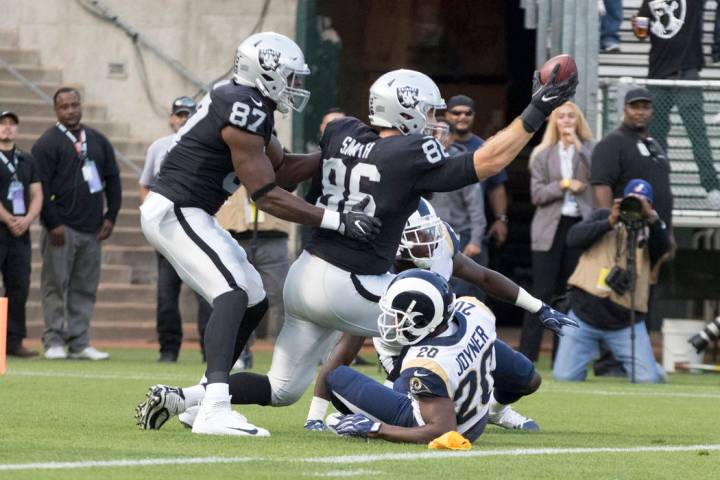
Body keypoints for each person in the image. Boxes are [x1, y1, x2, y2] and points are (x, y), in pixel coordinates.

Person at [136, 65, 578, 436]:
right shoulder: (411, 151)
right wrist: (537, 109)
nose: (433, 120)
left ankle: (189, 399)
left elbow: (306, 167)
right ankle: (439, 415)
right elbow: (488, 162)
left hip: (304, 277)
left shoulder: (340, 130)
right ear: (405, 109)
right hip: (351, 279)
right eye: (428, 111)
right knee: (453, 325)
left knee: (281, 388)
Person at [134, 32, 380, 437]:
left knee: (252, 300)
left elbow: (282, 171)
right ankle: (215, 409)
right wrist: (336, 219)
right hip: (175, 209)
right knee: (232, 292)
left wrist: (337, 155)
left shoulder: (251, 105)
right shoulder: (242, 106)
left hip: (191, 211)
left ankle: (202, 400)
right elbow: (266, 195)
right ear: (265, 71)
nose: (295, 86)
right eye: (290, 76)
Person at [300, 198, 576, 433]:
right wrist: (315, 416)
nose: (429, 240)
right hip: (406, 355)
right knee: (413, 413)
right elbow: (346, 347)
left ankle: (494, 410)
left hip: (452, 336)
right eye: (418, 235)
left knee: (527, 378)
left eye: (429, 231)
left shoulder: (440, 249)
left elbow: (483, 277)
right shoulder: (374, 274)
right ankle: (389, 409)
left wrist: (538, 307)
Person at [323, 269, 496, 443]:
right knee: (402, 382)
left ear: (420, 320)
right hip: (477, 419)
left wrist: (376, 429)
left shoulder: (427, 363)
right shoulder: (475, 312)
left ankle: (376, 421)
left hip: (449, 427)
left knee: (338, 377)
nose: (394, 321)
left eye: (399, 315)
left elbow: (443, 432)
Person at [32, 87, 122, 361]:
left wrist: (111, 216)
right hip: (61, 229)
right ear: (56, 110)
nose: (71, 110)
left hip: (92, 229)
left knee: (85, 288)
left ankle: (79, 342)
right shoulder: (47, 143)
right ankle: (54, 341)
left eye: (74, 105)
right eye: (64, 106)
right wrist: (52, 223)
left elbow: (113, 178)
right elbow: (39, 186)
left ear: (81, 105)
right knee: (55, 285)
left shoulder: (98, 140)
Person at [591, 87, 674, 377]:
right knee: (618, 295)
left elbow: (663, 192)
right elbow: (601, 185)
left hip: (652, 235)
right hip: (624, 235)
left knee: (643, 298)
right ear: (624, 109)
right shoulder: (612, 143)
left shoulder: (653, 144)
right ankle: (609, 363)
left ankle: (636, 361)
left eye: (645, 106)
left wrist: (668, 233)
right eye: (634, 106)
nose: (640, 111)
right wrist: (609, 226)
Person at [552, 179, 670, 383]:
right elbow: (573, 238)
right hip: (584, 315)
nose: (636, 206)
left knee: (648, 380)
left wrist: (651, 219)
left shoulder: (652, 230)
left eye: (642, 202)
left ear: (650, 206)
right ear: (622, 200)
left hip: (625, 323)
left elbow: (663, 247)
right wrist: (610, 222)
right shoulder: (603, 216)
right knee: (564, 377)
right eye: (632, 200)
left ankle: (652, 367)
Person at [518, 101, 595, 362]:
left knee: (570, 293)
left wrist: (578, 146)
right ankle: (527, 354)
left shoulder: (589, 150)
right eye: (561, 116)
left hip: (578, 226)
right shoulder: (542, 154)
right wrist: (563, 184)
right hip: (549, 228)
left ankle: (563, 357)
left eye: (572, 116)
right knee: (541, 292)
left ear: (578, 120)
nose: (567, 120)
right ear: (554, 122)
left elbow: (597, 176)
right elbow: (537, 194)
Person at [139, 96, 213, 363]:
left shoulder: (208, 147)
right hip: (167, 232)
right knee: (166, 295)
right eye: (179, 114)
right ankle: (168, 349)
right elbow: (146, 184)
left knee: (206, 294)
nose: (183, 119)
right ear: (171, 118)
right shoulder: (159, 147)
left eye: (188, 114)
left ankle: (209, 350)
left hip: (196, 231)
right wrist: (149, 214)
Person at [634, 0, 720, 208]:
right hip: (658, 74)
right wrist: (638, 26)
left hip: (686, 70)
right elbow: (641, 32)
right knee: (656, 136)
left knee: (697, 131)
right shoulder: (650, 1)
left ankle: (711, 187)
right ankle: (659, 185)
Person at [215, 184, 292, 367]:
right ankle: (239, 353)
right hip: (232, 231)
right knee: (237, 297)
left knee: (281, 296)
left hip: (273, 233)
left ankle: (287, 355)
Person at [427, 118, 486, 298]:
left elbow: (476, 206)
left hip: (459, 235)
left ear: (452, 138)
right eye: (434, 132)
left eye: (443, 133)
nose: (438, 137)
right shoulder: (421, 161)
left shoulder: (462, 163)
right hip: (427, 236)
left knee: (458, 291)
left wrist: (476, 241)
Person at [445, 95, 509, 261]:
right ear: (447, 115)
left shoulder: (484, 149)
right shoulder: (435, 149)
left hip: (471, 228)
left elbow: (496, 187)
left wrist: (501, 219)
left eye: (468, 113)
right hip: (439, 227)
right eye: (456, 113)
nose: (462, 117)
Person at [0, 111, 43, 358]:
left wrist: (28, 219)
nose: (7, 128)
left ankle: (13, 341)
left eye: (11, 124)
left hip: (20, 233)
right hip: (2, 227)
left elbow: (37, 193)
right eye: (3, 124)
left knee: (19, 287)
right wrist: (8, 218)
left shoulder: (26, 159)